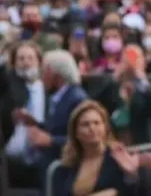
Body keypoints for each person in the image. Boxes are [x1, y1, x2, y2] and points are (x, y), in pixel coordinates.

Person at [48, 100, 140, 196]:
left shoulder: (117, 158)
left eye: (96, 123)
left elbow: (129, 191)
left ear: (105, 128)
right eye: (85, 124)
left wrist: (131, 176)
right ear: (76, 132)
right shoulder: (68, 165)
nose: (92, 128)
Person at [26, 49, 89, 175]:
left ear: (55, 73)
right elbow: (56, 127)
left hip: (65, 169)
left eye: (44, 71)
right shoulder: (56, 97)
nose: (41, 76)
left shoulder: (77, 99)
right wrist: (35, 124)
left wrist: (51, 141)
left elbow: (84, 138)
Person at [2, 41, 44, 189]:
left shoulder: (46, 89)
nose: (26, 63)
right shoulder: (6, 90)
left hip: (40, 158)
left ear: (39, 62)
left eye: (30, 58)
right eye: (21, 58)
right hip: (10, 161)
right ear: (14, 63)